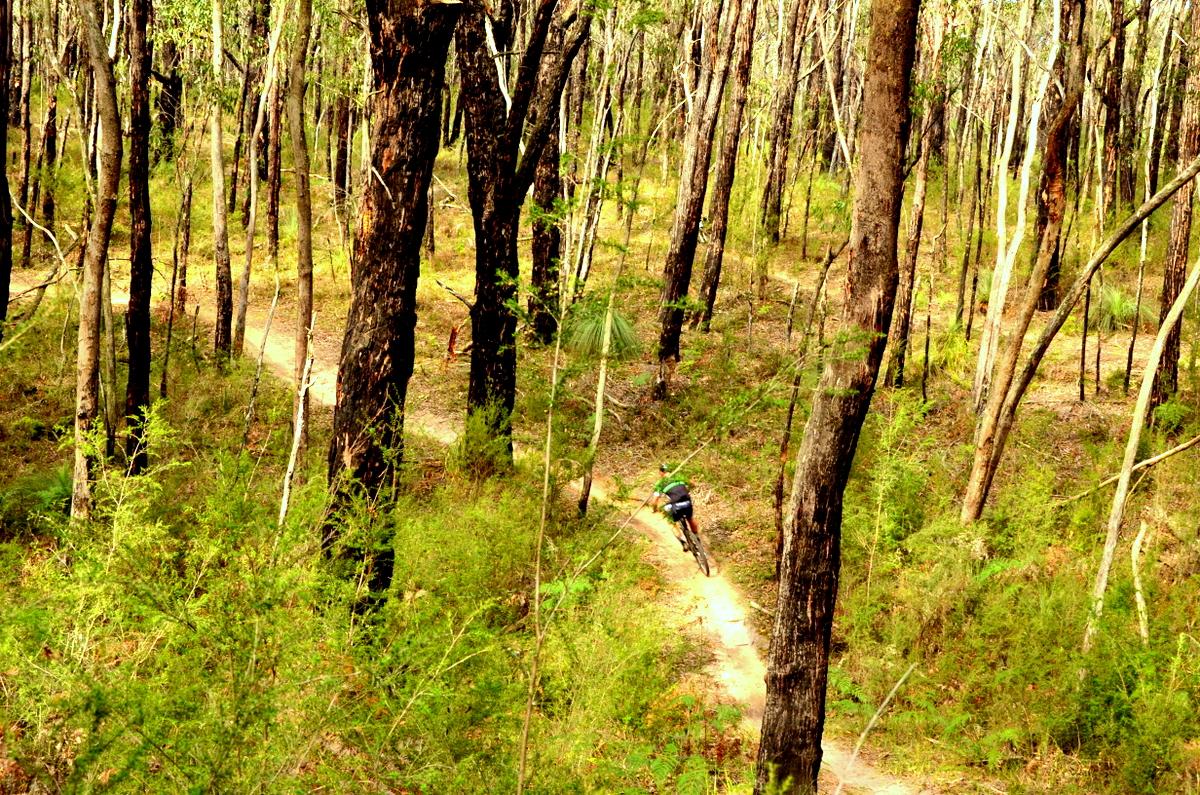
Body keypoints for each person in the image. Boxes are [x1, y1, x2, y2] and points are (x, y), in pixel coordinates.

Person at [652, 463, 700, 551]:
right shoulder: (680, 476)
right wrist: (686, 489)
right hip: (687, 502)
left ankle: (683, 542)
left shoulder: (660, 483)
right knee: (690, 518)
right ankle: (697, 538)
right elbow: (693, 484)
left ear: (661, 472)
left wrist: (654, 509)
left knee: (672, 522)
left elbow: (654, 501)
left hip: (675, 505)